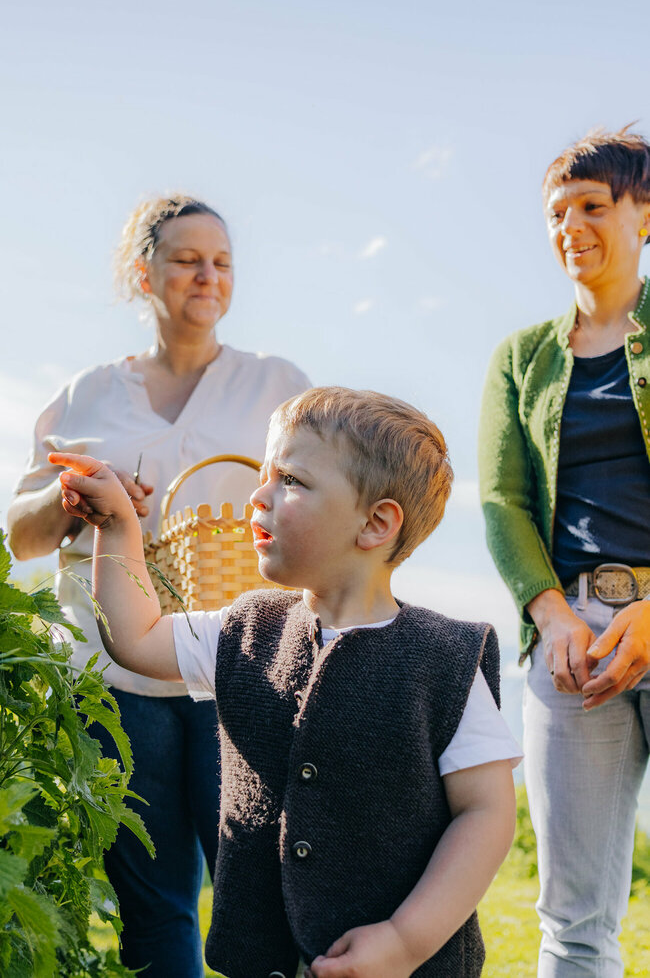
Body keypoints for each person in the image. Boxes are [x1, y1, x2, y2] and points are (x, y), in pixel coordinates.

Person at [50, 385, 520, 978]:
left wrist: (404, 942)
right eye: (266, 474)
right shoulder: (243, 629)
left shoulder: (445, 659)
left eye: (290, 480)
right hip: (263, 960)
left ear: (375, 524)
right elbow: (135, 637)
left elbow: (486, 814)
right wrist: (118, 526)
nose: (258, 495)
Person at [7, 194, 310, 977]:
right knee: (155, 907)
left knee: (261, 899)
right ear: (143, 272)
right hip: (117, 678)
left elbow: (319, 499)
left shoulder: (276, 384)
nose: (207, 275)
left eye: (222, 261)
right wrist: (74, 498)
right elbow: (21, 534)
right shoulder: (87, 396)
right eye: (186, 259)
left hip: (240, 672)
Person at [478, 127, 650, 976]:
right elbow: (503, 499)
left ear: (643, 214)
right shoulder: (521, 359)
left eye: (592, 205)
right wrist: (552, 619)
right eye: (556, 211)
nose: (570, 225)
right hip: (571, 636)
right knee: (574, 919)